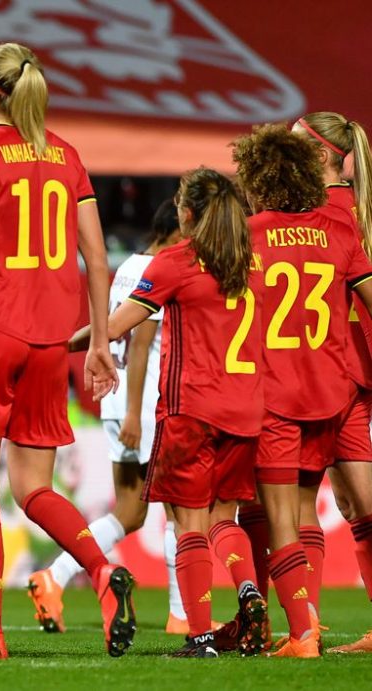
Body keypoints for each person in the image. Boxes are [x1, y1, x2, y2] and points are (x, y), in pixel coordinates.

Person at [0, 42, 133, 662]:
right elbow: (98, 260)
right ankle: (101, 571)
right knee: (34, 488)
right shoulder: (66, 154)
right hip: (52, 340)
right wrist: (100, 339)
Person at [108, 168, 268, 658]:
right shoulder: (251, 262)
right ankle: (247, 591)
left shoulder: (177, 261)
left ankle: (199, 635)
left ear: (188, 212)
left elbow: (119, 328)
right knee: (226, 518)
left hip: (190, 410)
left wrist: (63, 345)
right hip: (245, 411)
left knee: (187, 522)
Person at [233, 123, 372, 658]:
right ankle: (299, 621)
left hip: (284, 385)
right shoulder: (344, 222)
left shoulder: (255, 231)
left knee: (284, 511)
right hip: (336, 381)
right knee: (349, 501)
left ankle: (298, 626)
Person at [28, 200, 186, 634]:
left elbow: (112, 327)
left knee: (130, 512)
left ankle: (53, 576)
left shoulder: (127, 267)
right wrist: (137, 410)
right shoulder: (161, 267)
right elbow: (139, 343)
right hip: (144, 402)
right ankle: (181, 615)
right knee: (179, 509)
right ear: (177, 232)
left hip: (115, 405)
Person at [292, 112, 372, 654]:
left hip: (327, 374)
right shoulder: (354, 212)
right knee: (353, 503)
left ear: (320, 155)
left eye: (295, 145)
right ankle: (308, 627)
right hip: (352, 371)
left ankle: (306, 626)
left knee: (301, 501)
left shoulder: (319, 219)